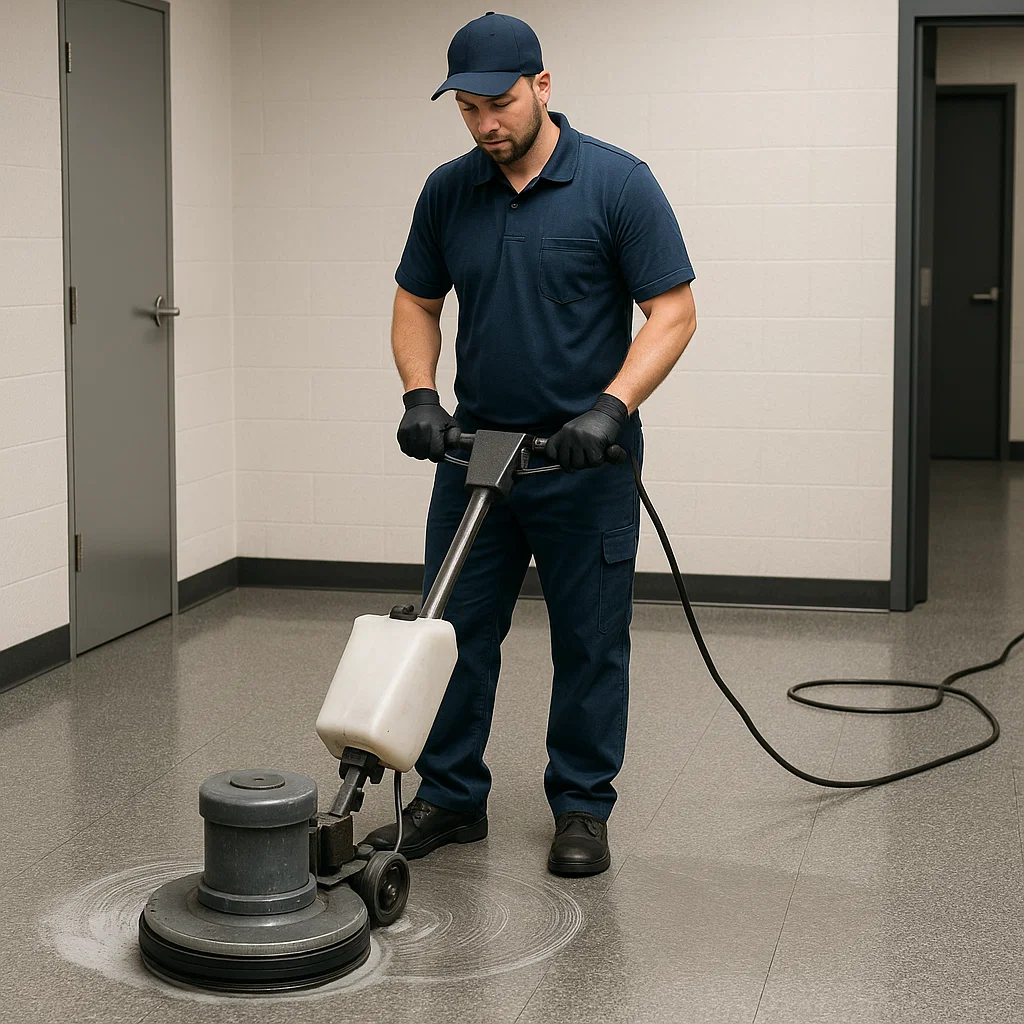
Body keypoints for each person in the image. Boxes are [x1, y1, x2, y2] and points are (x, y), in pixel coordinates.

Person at [364, 12, 696, 876]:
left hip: (582, 460)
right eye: (468, 109)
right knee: (452, 631)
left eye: (499, 104)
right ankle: (449, 796)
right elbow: (416, 301)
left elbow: (674, 311)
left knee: (589, 638)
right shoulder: (449, 190)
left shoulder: (619, 184)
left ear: (542, 87)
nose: (485, 126)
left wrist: (612, 409)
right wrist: (420, 395)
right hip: (477, 451)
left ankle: (582, 806)